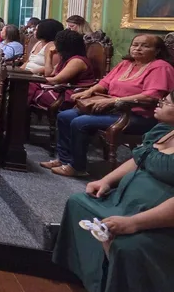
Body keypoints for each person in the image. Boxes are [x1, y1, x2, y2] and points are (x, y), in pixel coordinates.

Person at [52, 91, 174, 292]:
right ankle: (91, 277)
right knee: (77, 203)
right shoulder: (163, 129)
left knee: (126, 246)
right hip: (122, 201)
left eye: (166, 102)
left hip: (154, 220)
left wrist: (134, 223)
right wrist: (106, 181)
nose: (159, 104)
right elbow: (138, 158)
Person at [41, 34, 174, 177]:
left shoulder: (161, 67)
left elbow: (151, 96)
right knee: (65, 116)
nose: (138, 48)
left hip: (136, 115)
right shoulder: (126, 63)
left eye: (145, 46)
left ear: (157, 50)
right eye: (135, 45)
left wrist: (114, 101)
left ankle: (77, 167)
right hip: (111, 110)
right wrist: (89, 91)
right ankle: (64, 159)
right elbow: (105, 83)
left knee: (80, 122)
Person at [28, 29, 95, 112]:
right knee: (28, 87)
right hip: (60, 89)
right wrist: (49, 55)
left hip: (70, 94)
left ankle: (19, 114)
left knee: (27, 89)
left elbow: (56, 80)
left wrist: (34, 79)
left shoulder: (77, 61)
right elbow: (49, 73)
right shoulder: (66, 58)